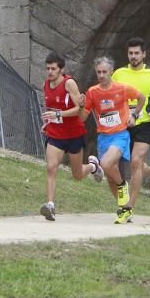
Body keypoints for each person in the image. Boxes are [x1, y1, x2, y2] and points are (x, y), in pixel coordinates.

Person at [81, 56, 145, 224]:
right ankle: (125, 209)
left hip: (120, 134)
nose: (101, 75)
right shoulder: (93, 92)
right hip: (103, 137)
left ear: (111, 72)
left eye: (104, 72)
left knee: (107, 164)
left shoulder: (122, 88)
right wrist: (81, 105)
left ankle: (123, 184)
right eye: (98, 72)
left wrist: (134, 115)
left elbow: (142, 97)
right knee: (109, 177)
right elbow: (83, 117)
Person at [39, 51, 102, 222]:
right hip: (55, 134)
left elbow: (79, 110)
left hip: (74, 133)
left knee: (77, 175)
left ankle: (93, 166)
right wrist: (48, 121)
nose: (50, 72)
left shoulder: (69, 84)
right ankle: (50, 205)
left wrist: (58, 115)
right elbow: (51, 109)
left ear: (61, 70)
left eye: (53, 69)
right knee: (51, 168)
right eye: (47, 68)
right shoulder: (46, 85)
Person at [112, 37, 150, 218]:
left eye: (137, 53)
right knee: (130, 162)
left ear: (144, 54)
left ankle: (129, 206)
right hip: (123, 124)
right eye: (131, 53)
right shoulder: (119, 74)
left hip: (145, 124)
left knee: (136, 161)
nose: (134, 56)